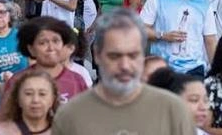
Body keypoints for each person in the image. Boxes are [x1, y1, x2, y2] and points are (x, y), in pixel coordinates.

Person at [50, 9, 195, 135]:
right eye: (114, 56)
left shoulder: (173, 111)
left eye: (133, 55)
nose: (125, 65)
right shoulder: (70, 115)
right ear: (97, 55)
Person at [141, 0, 217, 76]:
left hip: (194, 69)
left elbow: (210, 40)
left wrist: (216, 72)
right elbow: (140, 30)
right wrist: (162, 35)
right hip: (161, 69)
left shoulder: (204, 4)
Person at [0, 66, 58, 135]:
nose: (35, 100)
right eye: (28, 93)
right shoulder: (1, 132)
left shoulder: (63, 130)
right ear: (18, 99)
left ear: (52, 99)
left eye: (42, 94)